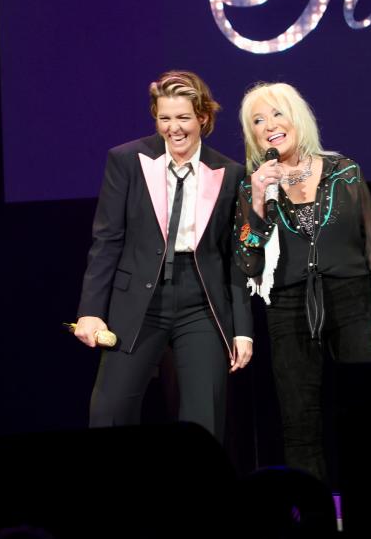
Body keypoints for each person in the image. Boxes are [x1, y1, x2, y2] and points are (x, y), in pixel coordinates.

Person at [233, 82, 371, 483]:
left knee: (367, 415)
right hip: (288, 307)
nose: (270, 126)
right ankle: (313, 529)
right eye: (258, 121)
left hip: (352, 301)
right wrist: (259, 202)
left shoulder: (343, 171)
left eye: (278, 114)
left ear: (298, 118)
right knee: (300, 424)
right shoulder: (253, 186)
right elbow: (247, 263)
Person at [70, 70, 253, 441]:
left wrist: (243, 331)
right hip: (138, 297)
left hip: (200, 302)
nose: (174, 129)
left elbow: (235, 256)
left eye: (183, 117)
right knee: (109, 410)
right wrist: (90, 311)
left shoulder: (229, 173)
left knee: (204, 418)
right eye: (164, 118)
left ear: (202, 117)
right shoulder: (126, 160)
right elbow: (106, 240)